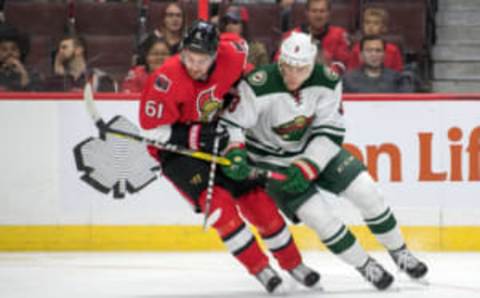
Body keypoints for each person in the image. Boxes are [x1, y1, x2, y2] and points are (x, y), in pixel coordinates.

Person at [219, 32, 428, 290]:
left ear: (313, 64)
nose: (292, 75)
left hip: (317, 150)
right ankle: (365, 265)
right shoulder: (257, 84)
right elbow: (232, 123)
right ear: (280, 60)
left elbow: (330, 130)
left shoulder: (328, 80)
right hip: (272, 160)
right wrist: (235, 151)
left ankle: (400, 252)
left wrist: (308, 165)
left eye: (301, 69)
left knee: (368, 191)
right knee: (319, 218)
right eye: (287, 67)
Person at [139, 21, 319, 293]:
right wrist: (197, 135)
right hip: (178, 152)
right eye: (189, 57)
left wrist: (237, 97)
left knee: (258, 200)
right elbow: (153, 132)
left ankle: (293, 263)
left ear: (215, 55)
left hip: (220, 136)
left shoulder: (232, 52)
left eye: (202, 60)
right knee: (220, 208)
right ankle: (260, 268)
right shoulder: (165, 80)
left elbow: (240, 75)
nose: (195, 66)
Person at [278, 0, 351, 74]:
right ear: (307, 13)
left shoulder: (339, 35)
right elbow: (279, 65)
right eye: (314, 11)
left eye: (322, 11)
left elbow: (345, 66)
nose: (318, 15)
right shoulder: (291, 36)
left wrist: (327, 66)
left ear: (329, 14)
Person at [44, 34, 116, 92]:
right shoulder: (58, 79)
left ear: (79, 50)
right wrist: (58, 75)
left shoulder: (99, 78)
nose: (60, 51)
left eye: (64, 47)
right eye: (59, 48)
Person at [343, 35, 414, 93]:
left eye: (378, 50)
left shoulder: (398, 79)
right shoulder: (347, 79)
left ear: (384, 55)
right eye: (369, 51)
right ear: (361, 56)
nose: (374, 54)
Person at [348, 7, 404, 72]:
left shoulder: (393, 50)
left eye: (376, 23)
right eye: (367, 22)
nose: (370, 26)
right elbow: (351, 72)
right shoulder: (356, 49)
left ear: (384, 27)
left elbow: (398, 74)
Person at [0, 23, 42, 91]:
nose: (9, 53)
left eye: (14, 49)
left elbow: (35, 96)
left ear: (20, 52)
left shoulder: (32, 74)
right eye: (4, 49)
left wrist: (23, 74)